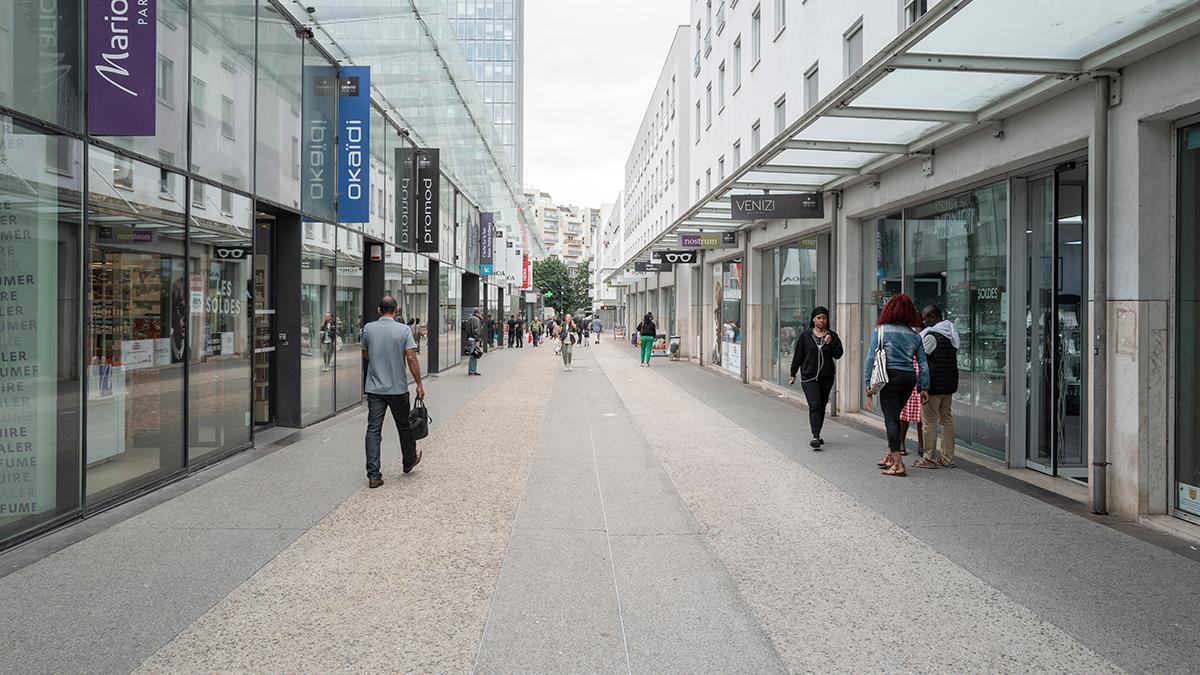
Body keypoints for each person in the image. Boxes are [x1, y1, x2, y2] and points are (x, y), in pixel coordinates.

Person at [361, 296, 425, 489]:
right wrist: (419, 384)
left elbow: (366, 354)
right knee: (404, 426)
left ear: (379, 310)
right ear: (396, 310)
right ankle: (408, 461)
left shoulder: (368, 329)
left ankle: (373, 475)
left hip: (374, 388)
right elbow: (412, 358)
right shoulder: (403, 330)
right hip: (397, 388)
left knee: (373, 429)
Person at [863, 294, 929, 477]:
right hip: (908, 378)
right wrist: (924, 387)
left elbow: (870, 358)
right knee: (895, 416)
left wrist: (868, 383)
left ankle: (898, 464)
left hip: (888, 377)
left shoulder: (881, 330)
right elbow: (923, 364)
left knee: (891, 419)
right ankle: (891, 456)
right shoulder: (914, 335)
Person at [788, 306, 844, 449]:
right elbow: (798, 355)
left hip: (826, 377)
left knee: (822, 405)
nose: (821, 321)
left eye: (824, 318)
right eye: (819, 318)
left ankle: (818, 433)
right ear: (813, 319)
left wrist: (830, 343)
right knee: (815, 405)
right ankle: (815, 436)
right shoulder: (805, 336)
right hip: (809, 376)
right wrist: (793, 373)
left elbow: (838, 354)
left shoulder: (832, 336)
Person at [918, 304, 961, 468]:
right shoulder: (951, 333)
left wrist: (923, 386)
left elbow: (922, 363)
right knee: (946, 421)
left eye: (926, 317)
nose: (923, 321)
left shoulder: (931, 336)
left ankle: (928, 458)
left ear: (934, 317)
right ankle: (947, 459)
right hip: (948, 385)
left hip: (933, 386)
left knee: (929, 422)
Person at [466, 307, 484, 376]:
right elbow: (476, 330)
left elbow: (468, 329)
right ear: (477, 313)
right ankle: (472, 370)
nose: (481, 314)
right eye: (480, 312)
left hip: (470, 338)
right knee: (473, 355)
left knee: (473, 354)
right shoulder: (476, 319)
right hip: (474, 339)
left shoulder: (470, 318)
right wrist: (477, 339)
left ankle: (472, 370)